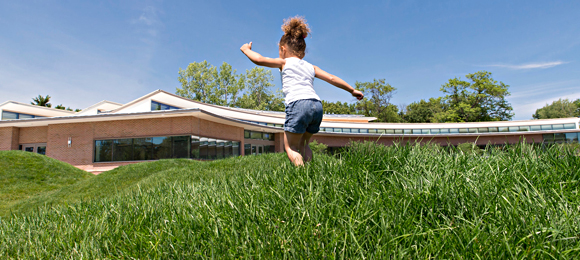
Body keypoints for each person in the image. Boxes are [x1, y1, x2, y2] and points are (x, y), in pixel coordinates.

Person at [240, 16, 364, 166]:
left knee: (291, 147)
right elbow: (331, 78)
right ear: (303, 53)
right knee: (304, 144)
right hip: (316, 106)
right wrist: (352, 90)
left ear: (282, 49)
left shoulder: (284, 62)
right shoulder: (311, 67)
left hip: (298, 104)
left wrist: (246, 50)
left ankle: (302, 177)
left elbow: (259, 59)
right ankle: (309, 172)